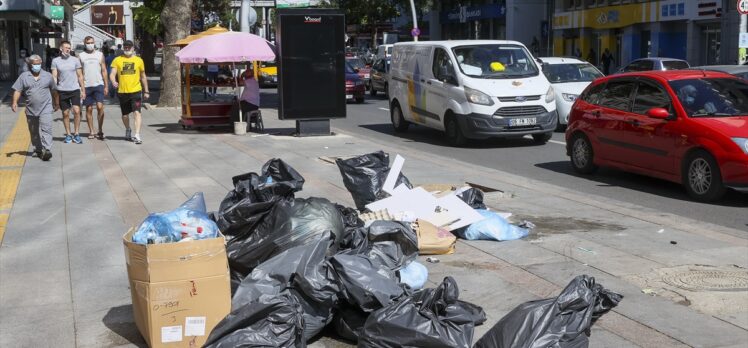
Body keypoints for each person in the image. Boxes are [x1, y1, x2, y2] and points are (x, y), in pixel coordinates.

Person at [11, 55, 59, 161]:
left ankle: (47, 150)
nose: (37, 66)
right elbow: (17, 90)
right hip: (30, 109)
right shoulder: (24, 76)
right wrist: (14, 102)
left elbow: (54, 91)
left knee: (46, 128)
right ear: (29, 65)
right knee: (33, 130)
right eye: (34, 64)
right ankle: (37, 149)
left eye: (38, 63)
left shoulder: (48, 76)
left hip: (46, 107)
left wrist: (56, 103)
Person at [110, 40, 149, 144]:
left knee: (137, 112)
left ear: (133, 48)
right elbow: (112, 73)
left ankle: (137, 134)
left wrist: (146, 91)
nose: (127, 49)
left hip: (136, 91)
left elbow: (143, 76)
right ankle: (128, 129)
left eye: (129, 47)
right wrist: (113, 81)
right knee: (125, 115)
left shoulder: (139, 60)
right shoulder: (117, 60)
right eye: (125, 47)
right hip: (122, 91)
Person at [51, 40, 86, 144]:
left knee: (76, 111)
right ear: (61, 48)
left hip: (74, 89)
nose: (68, 49)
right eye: (66, 48)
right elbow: (54, 76)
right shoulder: (55, 61)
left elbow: (80, 76)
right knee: (65, 113)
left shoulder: (75, 60)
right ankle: (68, 134)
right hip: (62, 90)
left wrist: (83, 90)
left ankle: (76, 133)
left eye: (69, 48)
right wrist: (54, 90)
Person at [79, 36, 109, 140]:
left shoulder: (100, 54)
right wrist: (81, 88)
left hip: (98, 84)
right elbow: (80, 73)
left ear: (94, 43)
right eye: (88, 43)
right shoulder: (81, 56)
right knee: (89, 109)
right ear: (84, 43)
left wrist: (106, 85)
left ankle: (100, 129)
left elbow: (104, 70)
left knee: (100, 107)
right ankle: (91, 131)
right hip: (87, 86)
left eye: (91, 42)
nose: (90, 44)